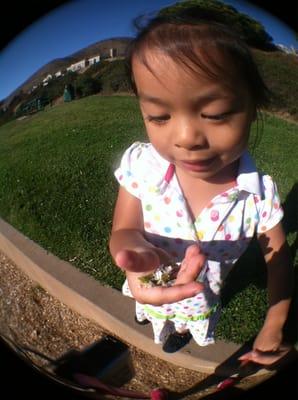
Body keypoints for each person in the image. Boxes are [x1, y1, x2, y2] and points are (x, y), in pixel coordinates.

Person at [109, 14, 293, 354]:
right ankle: (151, 315)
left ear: (253, 107)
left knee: (186, 317)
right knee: (151, 307)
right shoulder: (143, 166)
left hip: (201, 296)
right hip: (148, 282)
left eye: (216, 113)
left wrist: (274, 322)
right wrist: (134, 251)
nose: (187, 138)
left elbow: (279, 260)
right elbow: (123, 228)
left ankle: (181, 330)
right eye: (160, 116)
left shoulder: (259, 198)